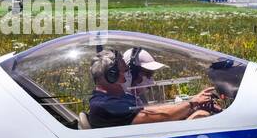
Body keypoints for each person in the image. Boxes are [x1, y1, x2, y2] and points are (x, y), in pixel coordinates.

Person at [86, 48, 217, 128]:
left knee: (199, 114)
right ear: (112, 75)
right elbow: (154, 117)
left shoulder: (117, 98)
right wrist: (192, 103)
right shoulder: (106, 105)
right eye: (125, 71)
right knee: (201, 117)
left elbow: (149, 110)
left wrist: (192, 106)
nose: (127, 77)